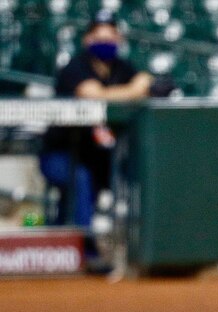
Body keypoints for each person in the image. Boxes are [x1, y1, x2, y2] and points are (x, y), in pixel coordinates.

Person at [39, 9, 154, 227]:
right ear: (87, 39)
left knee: (112, 176)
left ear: (119, 39)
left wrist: (139, 87)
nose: (105, 42)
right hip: (59, 153)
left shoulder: (121, 67)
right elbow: (90, 93)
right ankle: (83, 248)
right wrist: (133, 91)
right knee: (81, 181)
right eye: (99, 37)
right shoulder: (75, 67)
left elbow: (146, 81)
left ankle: (71, 246)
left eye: (110, 37)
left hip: (97, 155)